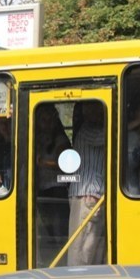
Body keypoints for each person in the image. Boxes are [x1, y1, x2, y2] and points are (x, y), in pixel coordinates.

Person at [67, 101, 106, 266]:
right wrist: (136, 121)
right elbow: (112, 134)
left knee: (94, 251)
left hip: (93, 196)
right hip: (88, 197)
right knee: (82, 251)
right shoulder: (86, 131)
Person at [35, 104, 71, 243]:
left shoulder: (60, 140)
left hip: (57, 190)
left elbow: (65, 165)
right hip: (42, 189)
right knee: (47, 231)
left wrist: (43, 163)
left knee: (59, 230)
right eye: (43, 120)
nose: (47, 124)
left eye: (50, 120)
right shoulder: (38, 139)